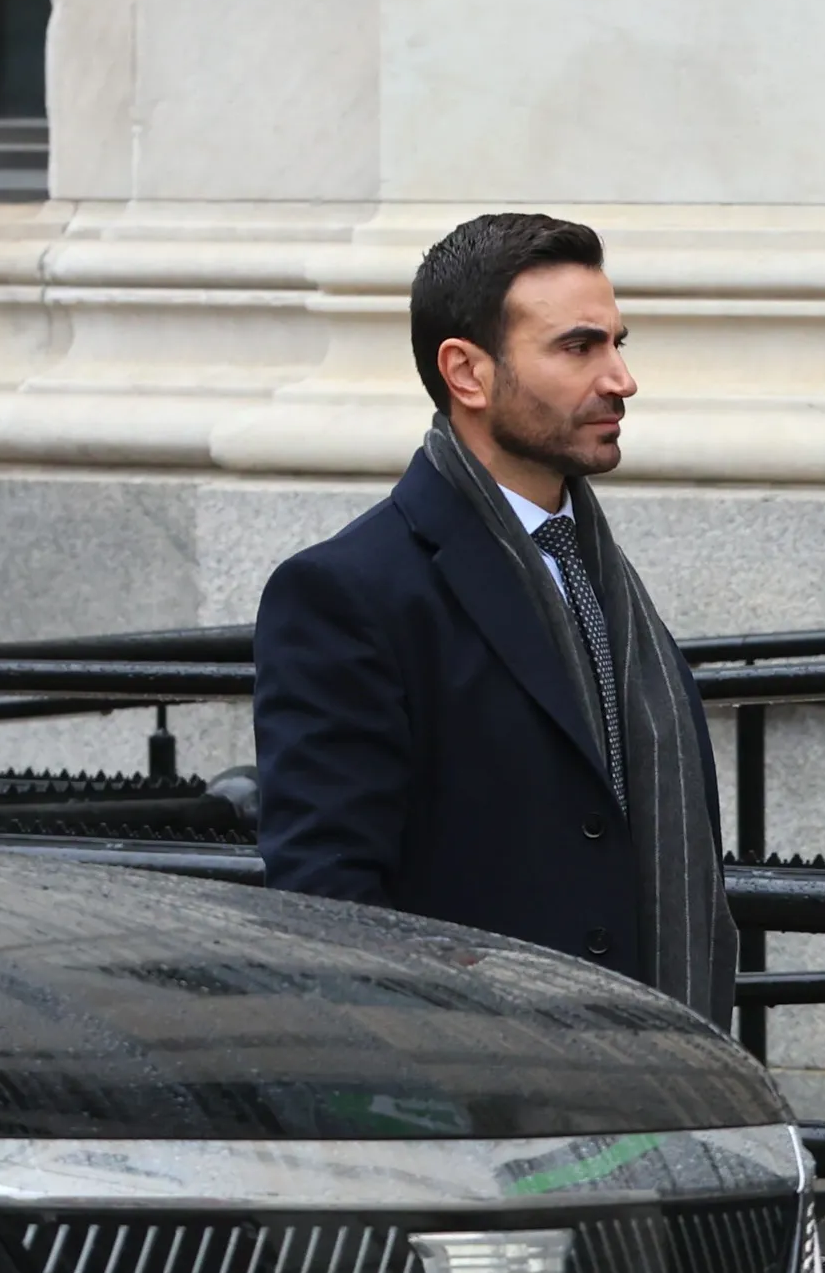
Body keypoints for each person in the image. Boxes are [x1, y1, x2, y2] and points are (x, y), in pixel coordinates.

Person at [253, 213, 735, 1022]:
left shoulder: (601, 574)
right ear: (467, 373)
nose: (621, 379)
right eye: (578, 347)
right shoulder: (347, 593)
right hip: (475, 1072)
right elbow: (330, 913)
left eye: (617, 344)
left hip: (654, 1064)